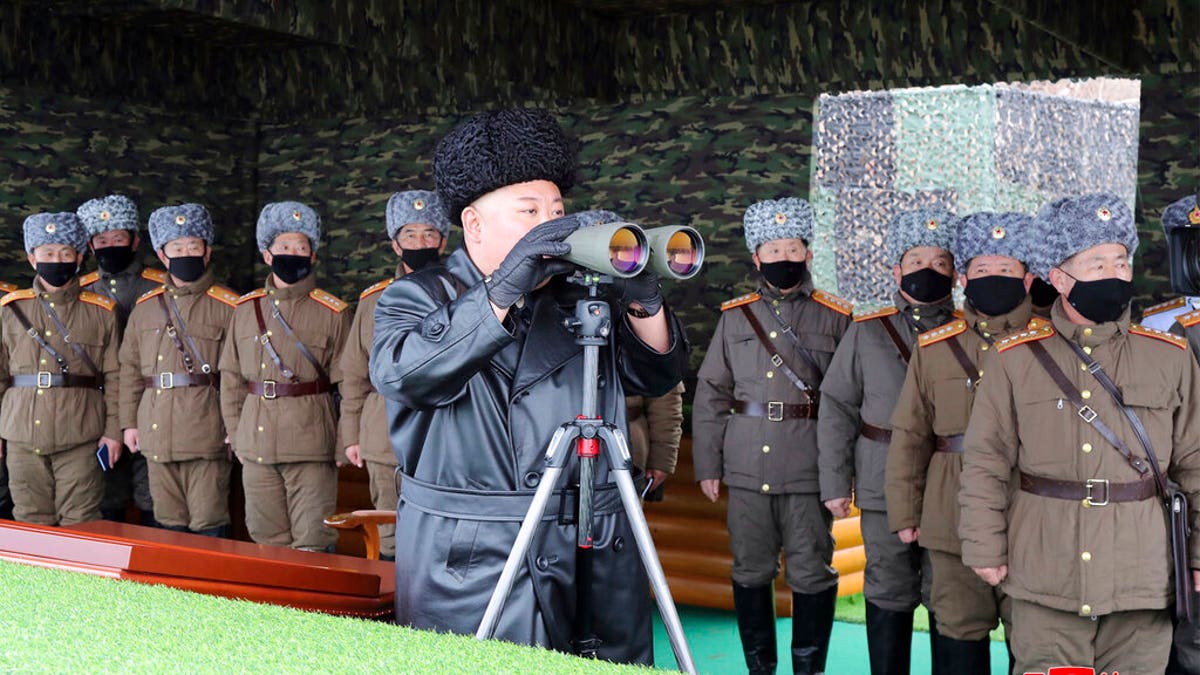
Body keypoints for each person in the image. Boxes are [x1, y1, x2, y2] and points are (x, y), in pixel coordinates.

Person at [370, 108, 687, 665]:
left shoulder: (581, 297)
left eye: (558, 211)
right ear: (473, 225)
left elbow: (656, 374)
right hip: (478, 555)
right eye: (530, 211)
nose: (552, 224)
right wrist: (505, 286)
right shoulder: (417, 297)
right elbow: (403, 376)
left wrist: (643, 297)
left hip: (593, 544)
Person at [959, 193, 1200, 674]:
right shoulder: (1014, 358)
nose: (1114, 274)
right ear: (1060, 277)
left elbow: (1195, 462)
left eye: (1120, 261)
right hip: (1046, 572)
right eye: (1096, 263)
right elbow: (986, 460)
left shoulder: (1170, 356)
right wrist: (984, 546)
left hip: (1142, 576)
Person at [693, 197, 853, 675]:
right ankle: (759, 668)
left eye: (792, 248)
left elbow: (846, 406)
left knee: (811, 572)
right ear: (756, 257)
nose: (783, 258)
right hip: (745, 468)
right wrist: (709, 465)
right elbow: (711, 394)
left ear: (807, 252)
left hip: (808, 468)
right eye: (772, 249)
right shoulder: (735, 317)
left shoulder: (835, 316)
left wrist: (838, 480)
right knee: (749, 570)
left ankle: (809, 670)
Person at [884, 210, 1042, 672]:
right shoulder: (934, 347)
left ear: (1029, 279)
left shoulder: (1050, 343)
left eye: (1007, 270)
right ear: (964, 277)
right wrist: (905, 513)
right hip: (948, 515)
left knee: (1035, 642)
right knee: (956, 634)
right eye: (983, 269)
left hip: (1032, 518)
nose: (994, 278)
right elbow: (911, 438)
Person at [818, 209, 961, 675]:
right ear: (895, 270)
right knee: (888, 590)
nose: (928, 270)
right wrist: (835, 483)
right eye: (916, 259)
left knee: (950, 596)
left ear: (956, 273)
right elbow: (837, 408)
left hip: (950, 485)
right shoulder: (867, 331)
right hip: (881, 478)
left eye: (940, 262)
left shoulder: (968, 332)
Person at [218, 202, 352, 552]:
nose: (293, 254)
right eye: (284, 248)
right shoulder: (246, 310)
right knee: (265, 540)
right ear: (267, 255)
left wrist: (343, 441)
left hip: (312, 446)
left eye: (301, 248)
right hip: (257, 444)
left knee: (314, 541)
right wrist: (236, 435)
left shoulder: (333, 313)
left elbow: (350, 384)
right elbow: (231, 379)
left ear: (313, 256)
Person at [339, 189, 451, 560]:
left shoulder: (464, 294)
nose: (420, 243)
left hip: (445, 435)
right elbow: (354, 374)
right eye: (410, 236)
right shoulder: (373, 300)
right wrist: (352, 435)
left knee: (440, 535)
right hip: (382, 432)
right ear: (395, 244)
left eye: (429, 235)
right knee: (387, 534)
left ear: (443, 240)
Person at [119, 204, 239, 537]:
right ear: (161, 254)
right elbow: (129, 370)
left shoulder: (231, 306)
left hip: (208, 431)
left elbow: (239, 376)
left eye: (193, 247)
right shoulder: (146, 308)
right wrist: (129, 422)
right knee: (166, 524)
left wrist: (235, 427)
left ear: (207, 250)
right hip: (157, 429)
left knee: (208, 522)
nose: (186, 254)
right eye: (177, 248)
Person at [0, 212, 120, 525]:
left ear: (79, 257)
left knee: (82, 523)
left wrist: (113, 432)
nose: (57, 260)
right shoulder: (10, 310)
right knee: (29, 521)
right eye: (48, 253)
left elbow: (118, 379)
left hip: (80, 436)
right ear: (31, 258)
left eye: (66, 253)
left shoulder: (102, 312)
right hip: (21, 435)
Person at [77, 194, 165, 525]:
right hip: (99, 407)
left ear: (135, 241)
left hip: (152, 401)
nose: (110, 246)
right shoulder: (81, 291)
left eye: (118, 239)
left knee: (153, 496)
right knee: (104, 494)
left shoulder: (159, 286)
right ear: (90, 245)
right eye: (102, 240)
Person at [625, 382, 685, 501]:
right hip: (577, 434)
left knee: (624, 515)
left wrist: (661, 458)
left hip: (628, 440)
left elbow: (664, 398)